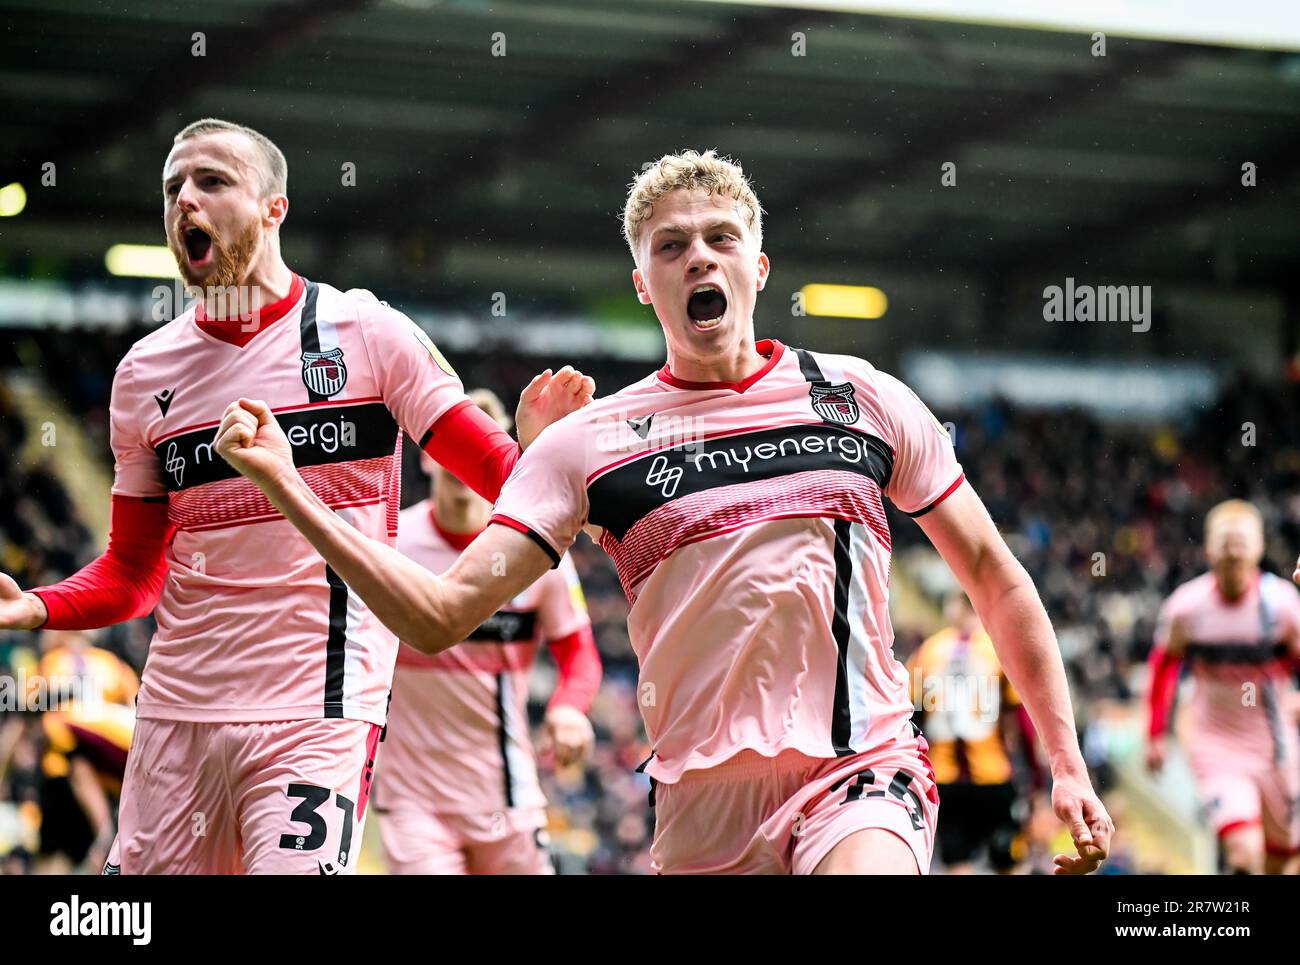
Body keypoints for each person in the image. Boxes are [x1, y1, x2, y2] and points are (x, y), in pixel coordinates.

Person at [214, 148, 1112, 875]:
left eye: (721, 238)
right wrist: (290, 486)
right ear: (644, 282)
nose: (700, 257)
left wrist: (1065, 760)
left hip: (861, 765)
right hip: (699, 807)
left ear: (758, 266)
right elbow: (440, 616)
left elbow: (995, 577)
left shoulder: (861, 396)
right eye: (673, 246)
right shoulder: (587, 445)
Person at [0, 118, 592, 874]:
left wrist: (542, 452)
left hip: (319, 706)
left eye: (212, 182)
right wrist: (37, 606)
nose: (186, 201)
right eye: (172, 188)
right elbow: (135, 572)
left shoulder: (370, 334)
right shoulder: (144, 374)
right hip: (178, 711)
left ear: (275, 208)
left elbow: (502, 479)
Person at [374, 389, 601, 874]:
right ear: (428, 460)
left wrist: (567, 710)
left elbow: (578, 651)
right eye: (451, 451)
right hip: (414, 802)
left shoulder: (535, 549)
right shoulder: (390, 546)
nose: (462, 466)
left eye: (480, 451)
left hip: (508, 796)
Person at [1148, 499, 1300, 874]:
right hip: (1217, 747)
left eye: (1241, 542)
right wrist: (1155, 733)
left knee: (1280, 859)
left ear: (1259, 547)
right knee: (1243, 854)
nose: (1232, 551)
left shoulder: (1282, 604)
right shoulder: (1186, 607)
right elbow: (1163, 669)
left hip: (1276, 748)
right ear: (1208, 548)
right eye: (1224, 542)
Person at [907, 593, 1038, 873]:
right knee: (1009, 860)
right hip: (993, 777)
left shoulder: (927, 651)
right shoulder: (998, 650)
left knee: (958, 863)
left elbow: (911, 717)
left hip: (945, 781)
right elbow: (1022, 722)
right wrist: (1035, 775)